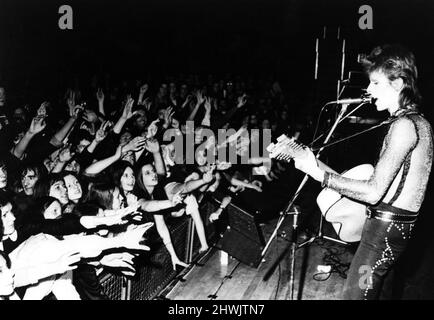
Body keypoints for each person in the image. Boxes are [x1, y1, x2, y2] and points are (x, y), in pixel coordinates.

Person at [293, 44, 433, 300]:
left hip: (382, 234)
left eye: (376, 83)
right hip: (392, 231)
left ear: (399, 83)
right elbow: (379, 187)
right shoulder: (416, 121)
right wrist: (314, 164)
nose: (368, 90)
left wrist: (320, 175)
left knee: (355, 295)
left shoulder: (403, 126)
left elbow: (373, 191)